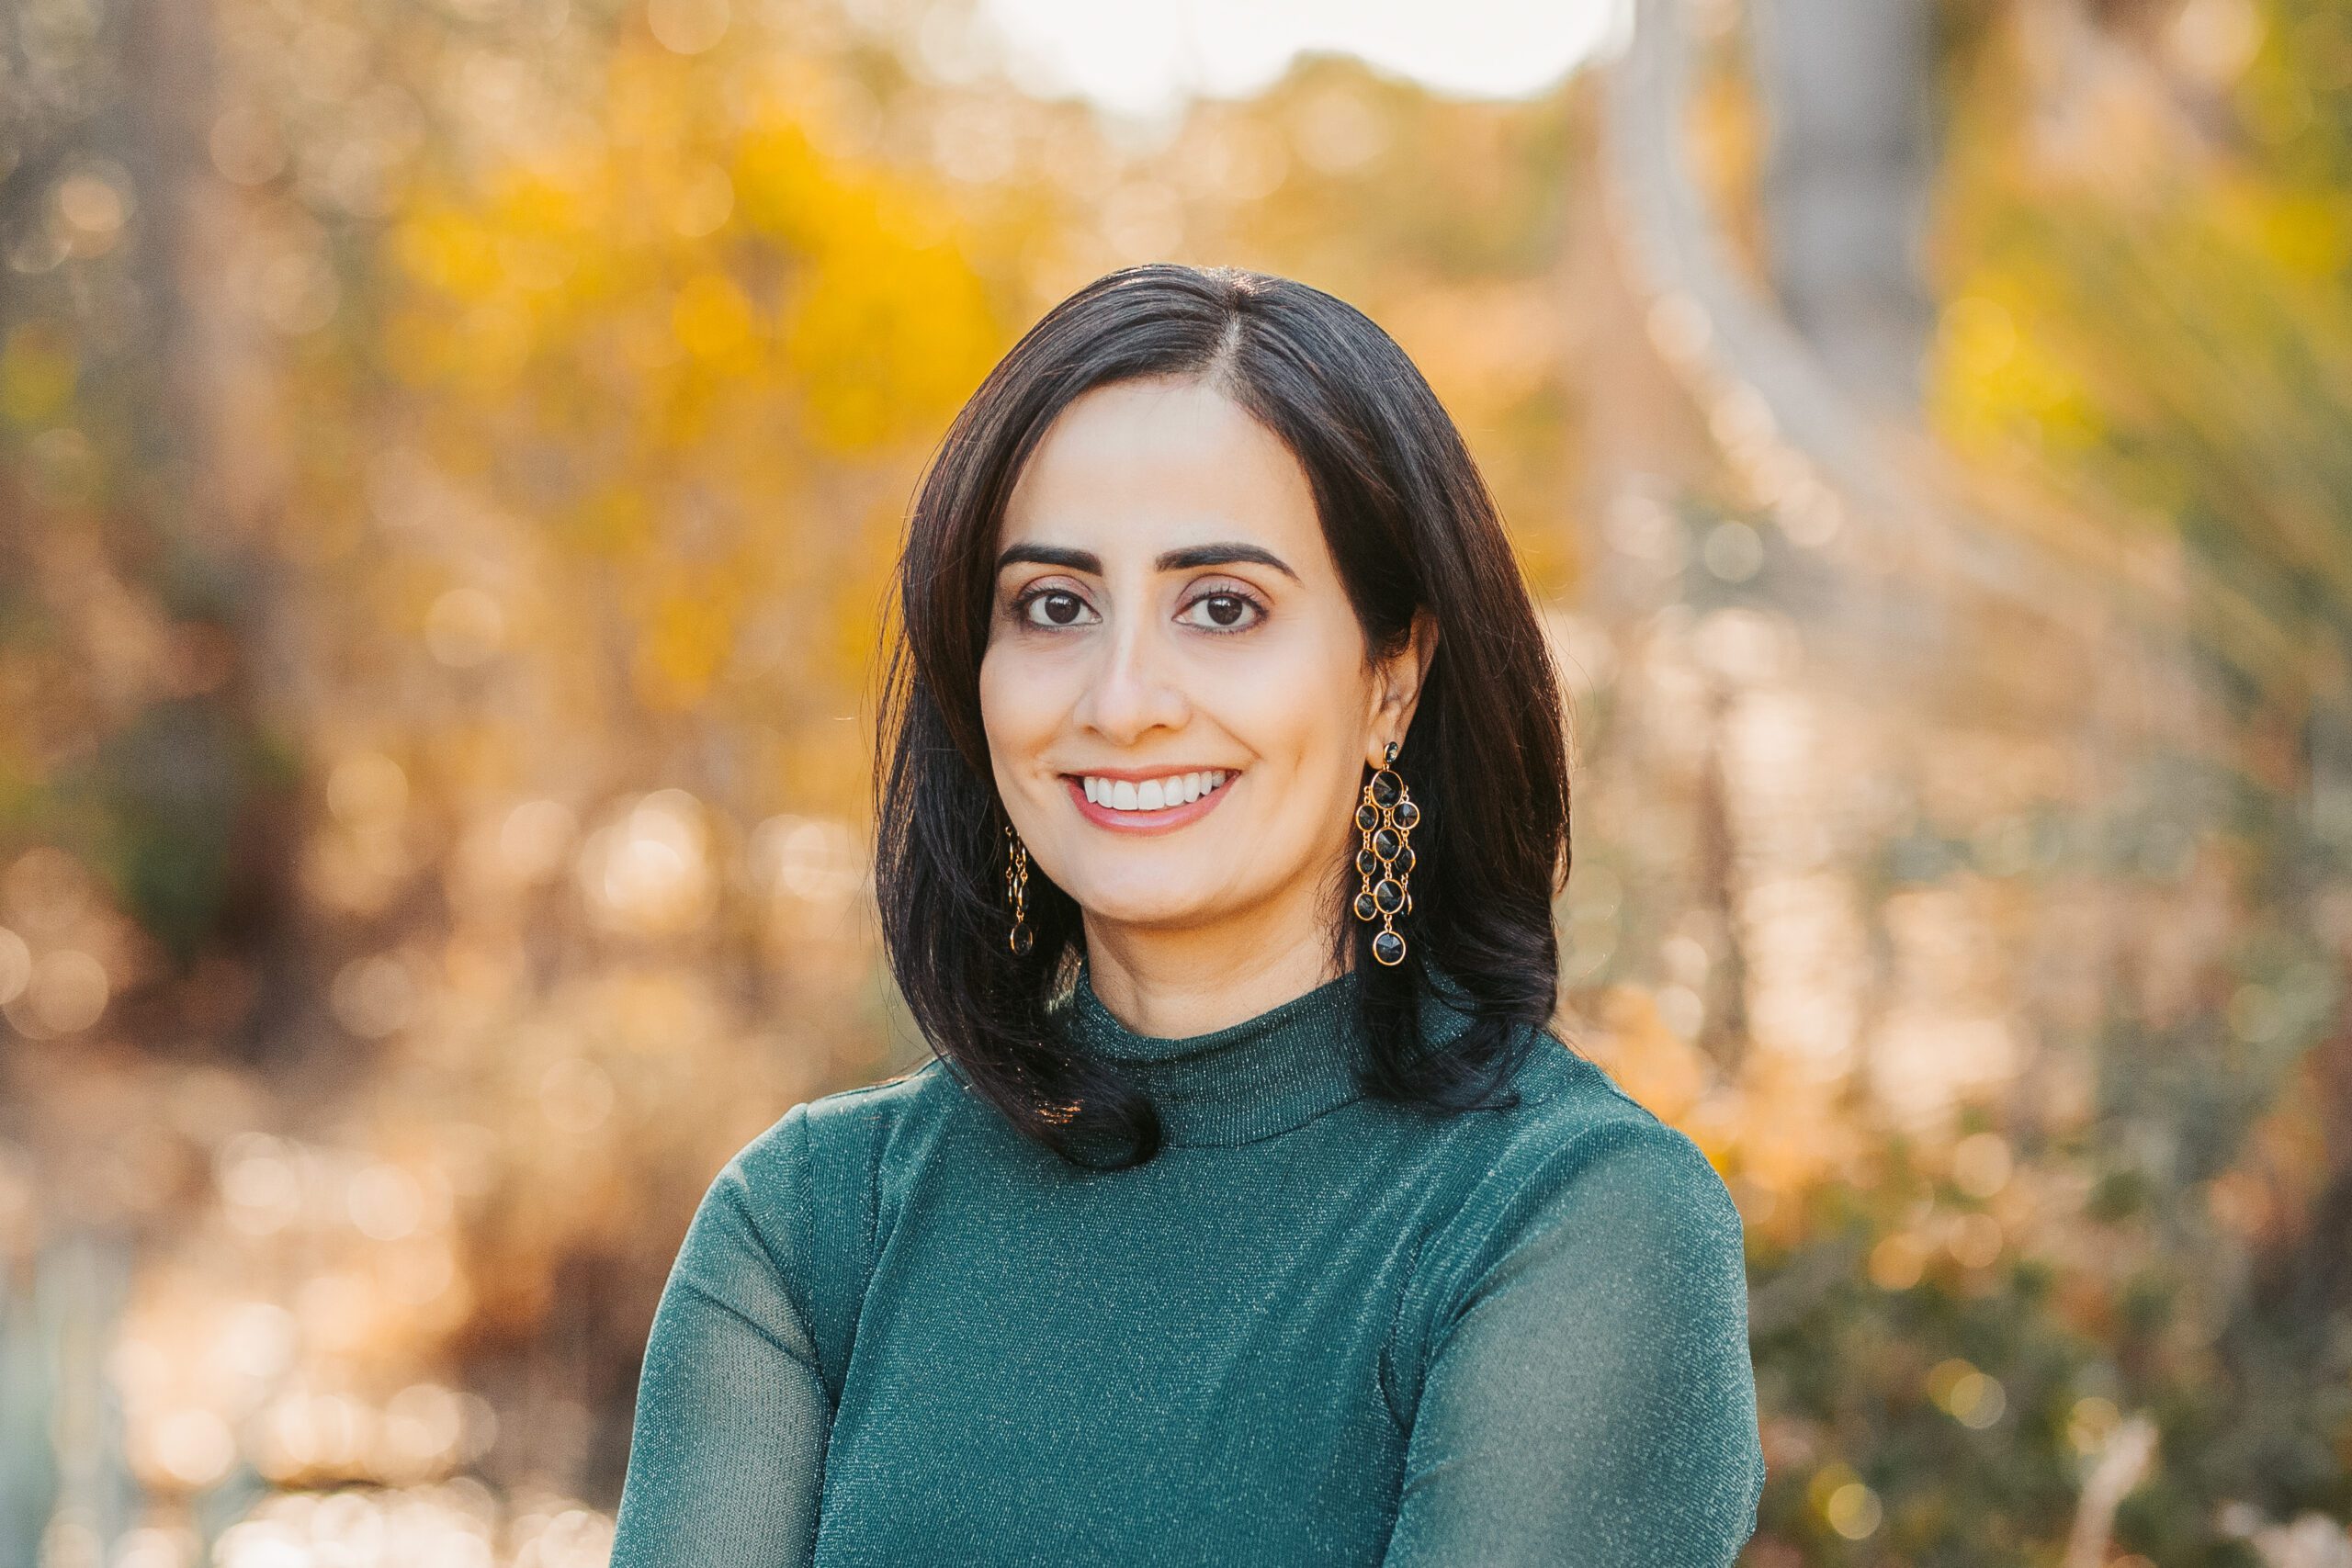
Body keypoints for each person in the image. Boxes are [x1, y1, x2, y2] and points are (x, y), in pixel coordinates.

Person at [607, 263, 1766, 1566]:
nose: (1123, 697)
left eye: (1222, 607)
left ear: (1393, 677)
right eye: (1054, 605)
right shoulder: (811, 1226)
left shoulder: (1572, 1223)